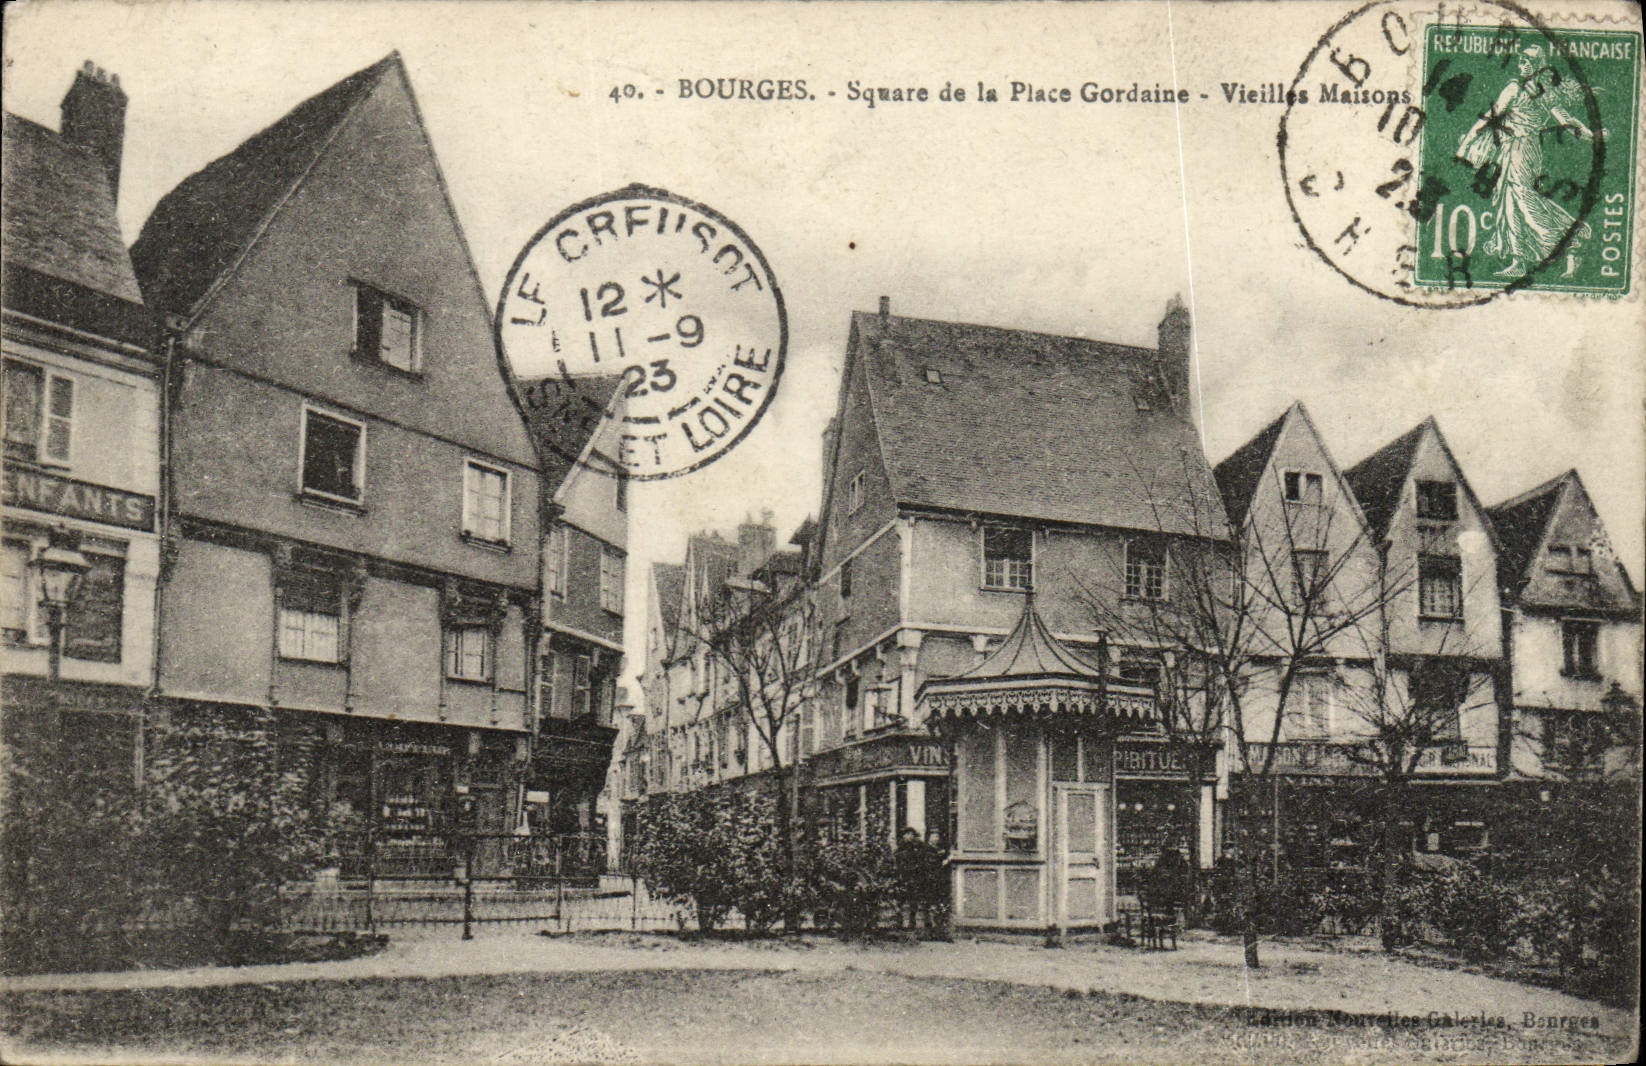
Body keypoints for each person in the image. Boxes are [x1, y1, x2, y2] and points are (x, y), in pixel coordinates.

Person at [1456, 43, 1597, 278]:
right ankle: (1518, 259)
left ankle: (1568, 243)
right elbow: (1490, 117)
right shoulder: (1520, 89)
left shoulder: (1538, 93)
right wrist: (1467, 142)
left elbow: (1565, 120)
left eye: (1527, 63)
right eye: (1521, 62)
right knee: (1510, 202)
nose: (1521, 66)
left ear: (1537, 67)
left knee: (1524, 200)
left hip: (1524, 150)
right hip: (1511, 149)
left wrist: (1589, 136)